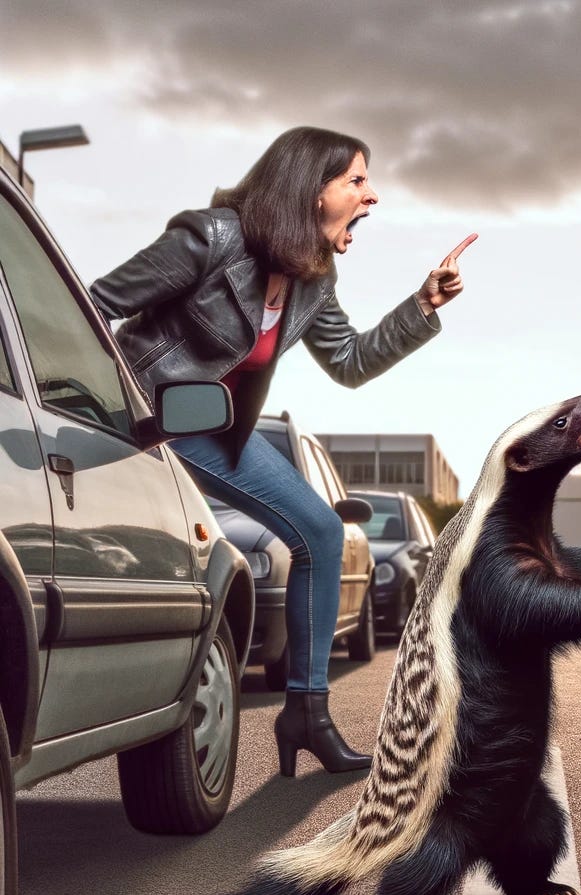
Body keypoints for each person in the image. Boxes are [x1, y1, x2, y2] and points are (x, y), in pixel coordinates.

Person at [90, 126, 476, 777]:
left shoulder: (312, 279)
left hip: (215, 427)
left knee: (321, 532)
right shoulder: (209, 240)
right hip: (148, 418)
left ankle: (306, 713)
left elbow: (351, 362)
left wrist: (422, 304)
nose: (372, 194)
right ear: (307, 187)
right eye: (356, 179)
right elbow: (95, 307)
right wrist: (98, 409)